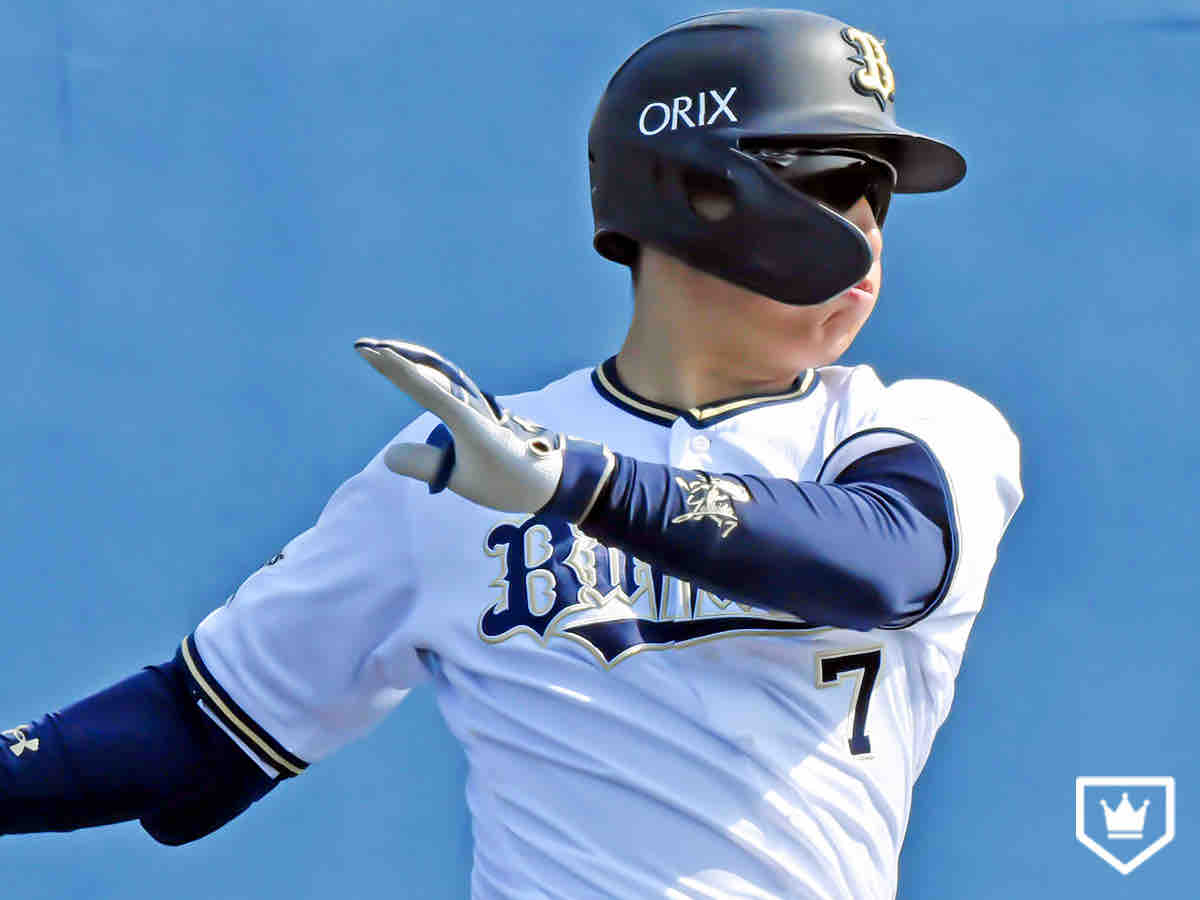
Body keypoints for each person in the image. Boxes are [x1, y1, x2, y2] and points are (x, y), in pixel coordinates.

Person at [2, 10, 1022, 899]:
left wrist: (569, 481)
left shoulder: (914, 427)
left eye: (881, 195)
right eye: (834, 180)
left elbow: (888, 561)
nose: (867, 229)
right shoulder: (455, 465)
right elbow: (198, 731)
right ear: (692, 190)